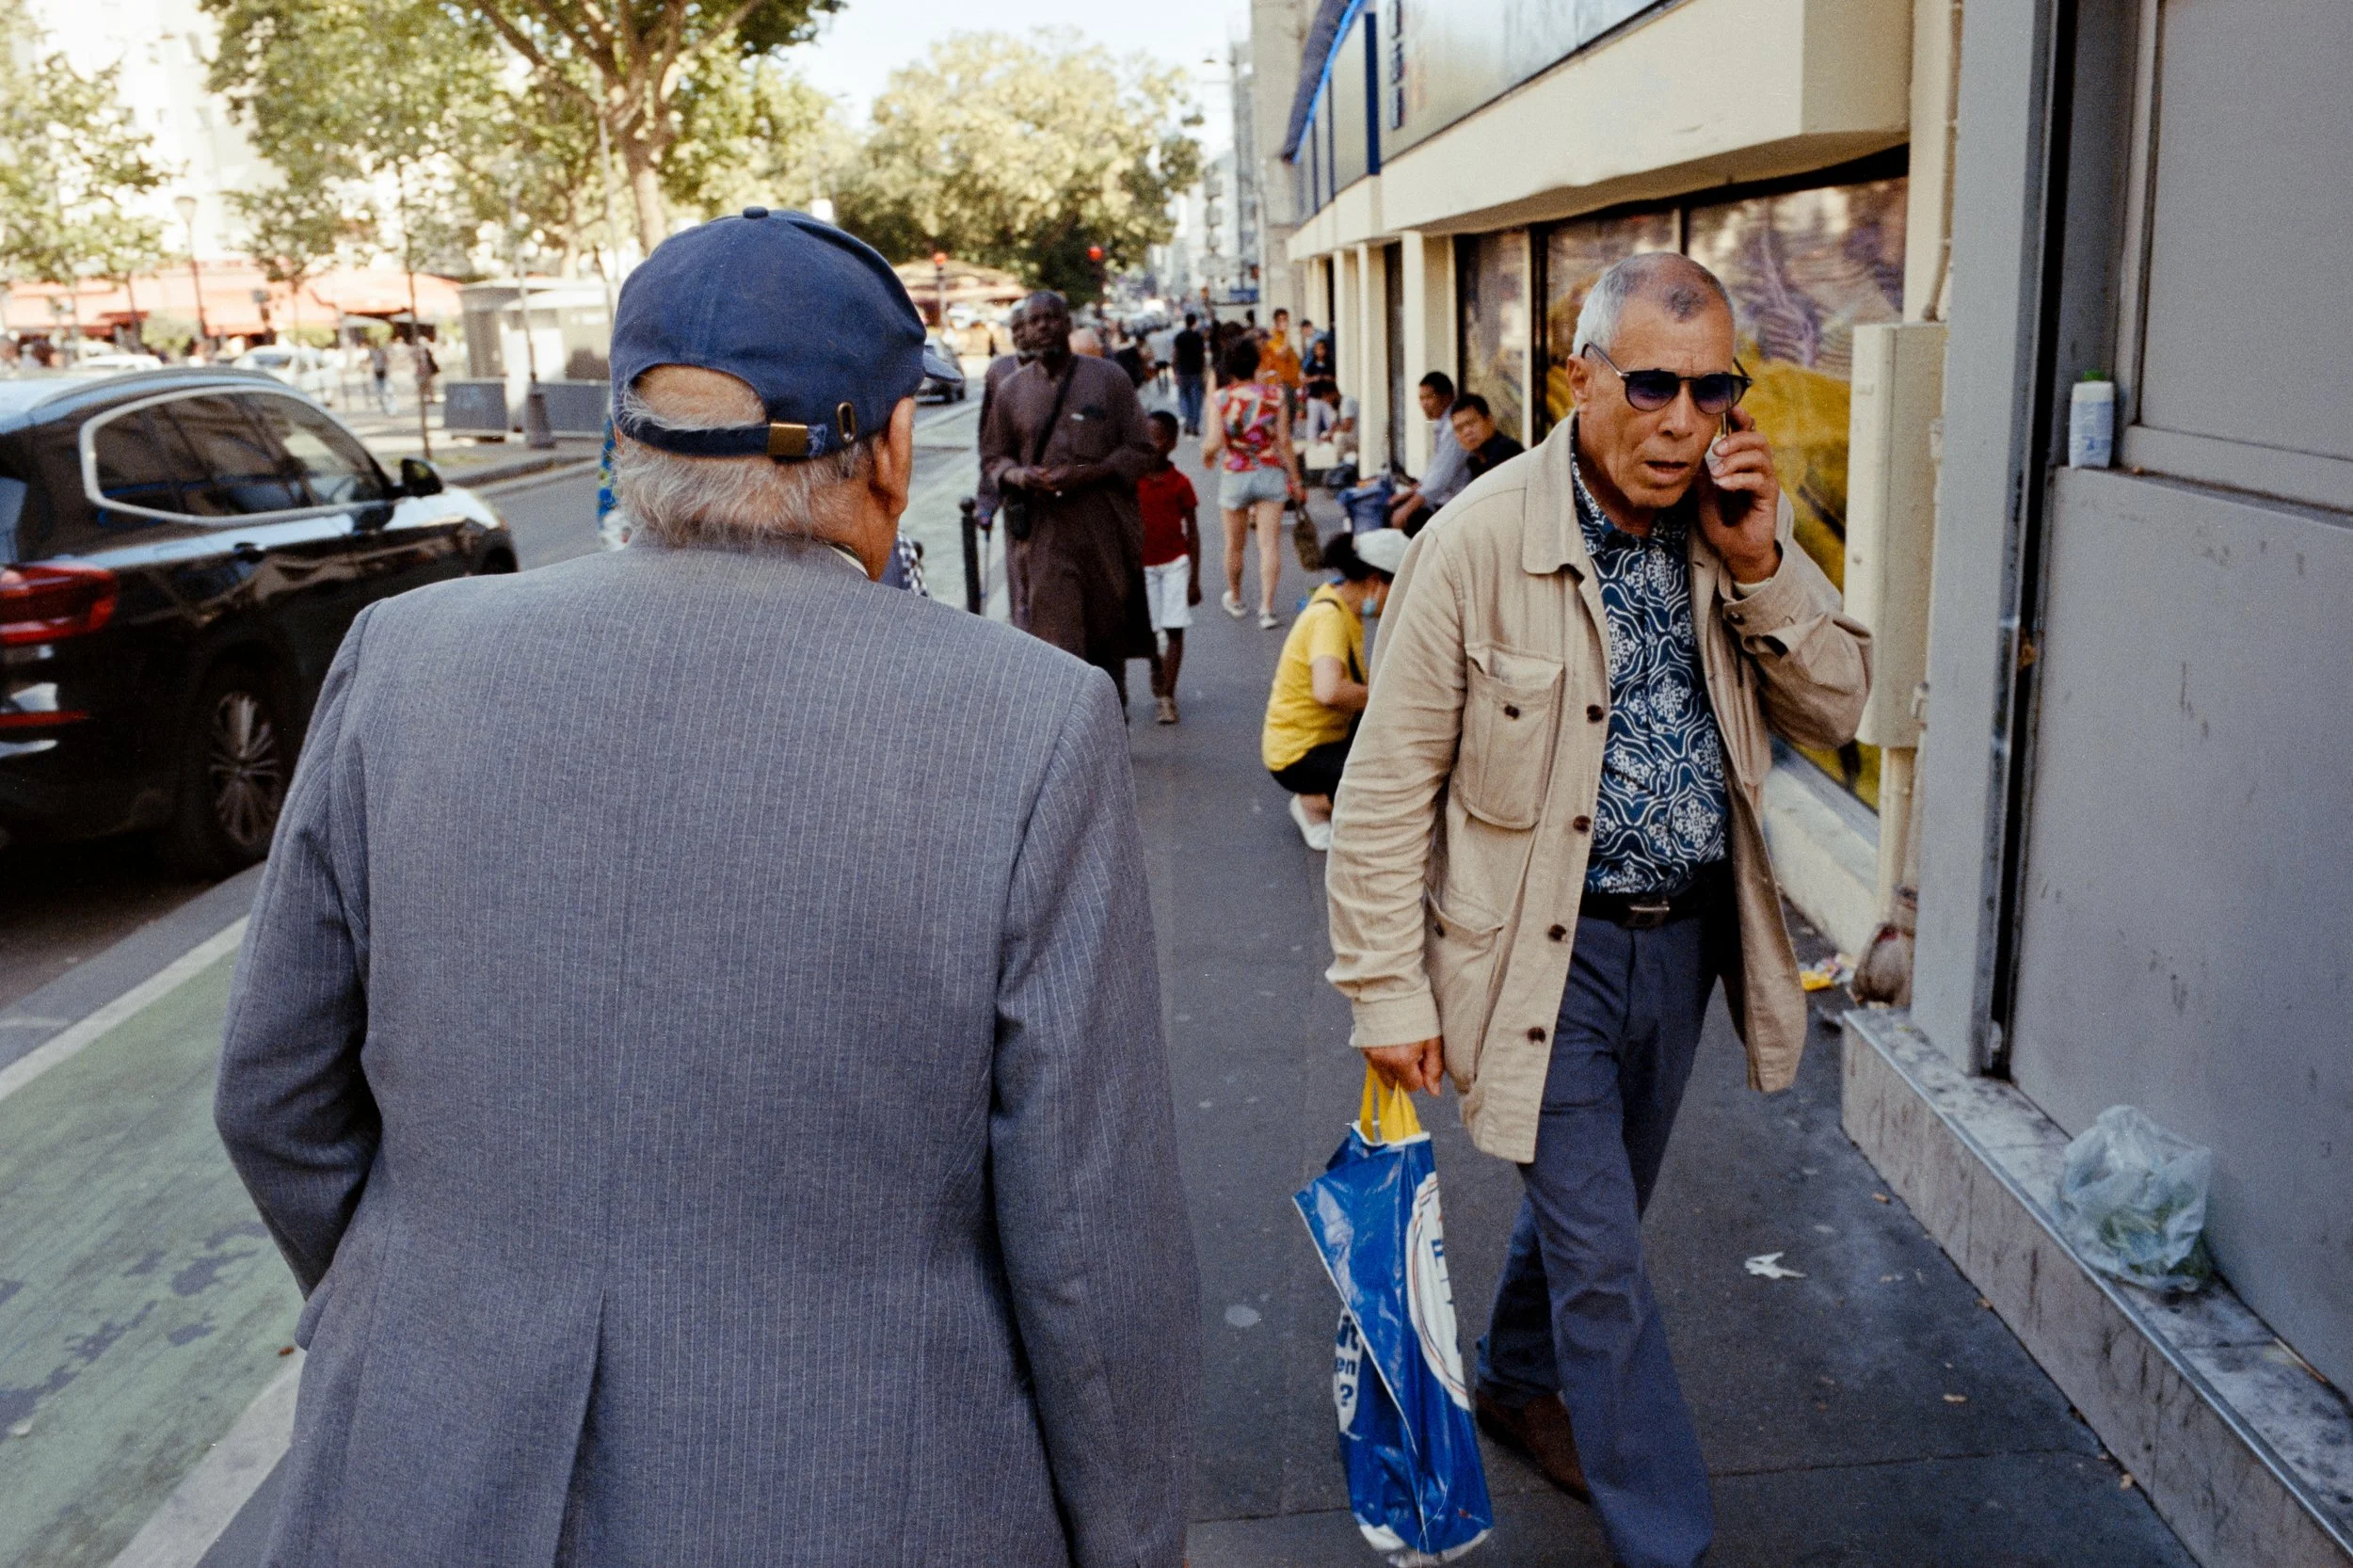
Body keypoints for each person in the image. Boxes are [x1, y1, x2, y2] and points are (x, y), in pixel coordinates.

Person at [214, 206, 1199, 1566]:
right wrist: (1131, 1537)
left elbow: (273, 1094)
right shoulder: (1023, 720)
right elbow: (1087, 1235)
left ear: (627, 439)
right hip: (867, 1487)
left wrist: (440, 1293)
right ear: (891, 451)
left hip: (424, 1475)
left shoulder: (404, 659)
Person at [1322, 253, 1870, 1568]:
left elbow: (1843, 703)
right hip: (1533, 962)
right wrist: (1386, 990)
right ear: (1583, 381)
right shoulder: (1477, 542)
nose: (1684, 421)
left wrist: (1760, 566)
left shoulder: (1733, 524)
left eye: (1712, 390)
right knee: (1608, 1270)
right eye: (1653, 387)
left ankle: (1516, 1376)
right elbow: (1387, 790)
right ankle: (1666, 1541)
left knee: (1601, 1209)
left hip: (1681, 949)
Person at [980, 290, 1157, 697]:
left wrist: (1091, 473)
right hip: (1045, 533)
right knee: (1057, 637)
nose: (1043, 326)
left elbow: (1141, 449)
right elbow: (993, 458)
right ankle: (1074, 732)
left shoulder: (1109, 379)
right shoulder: (1011, 391)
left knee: (1107, 632)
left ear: (1068, 324)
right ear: (1024, 328)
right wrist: (1021, 476)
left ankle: (1115, 722)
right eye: (1034, 320)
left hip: (1103, 527)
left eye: (1052, 318)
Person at [1262, 528, 1410, 850]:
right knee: (1392, 792)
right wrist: (1384, 698)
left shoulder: (1339, 603)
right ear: (1375, 582)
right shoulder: (1329, 618)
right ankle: (1313, 803)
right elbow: (1328, 691)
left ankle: (1325, 798)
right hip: (1299, 753)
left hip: (1322, 737)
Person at [1202, 336, 1302, 630]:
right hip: (1270, 472)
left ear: (1228, 367)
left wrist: (1207, 455)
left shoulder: (1220, 399)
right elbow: (1283, 440)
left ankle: (1235, 598)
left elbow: (1214, 441)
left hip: (1235, 473)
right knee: (1269, 545)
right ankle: (1267, 609)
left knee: (1234, 545)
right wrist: (1295, 480)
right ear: (1257, 363)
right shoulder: (1274, 396)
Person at [1136, 409, 1201, 724]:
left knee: (1174, 627)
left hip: (1175, 563)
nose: (1153, 444)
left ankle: (1167, 696)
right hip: (1144, 566)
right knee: (1150, 629)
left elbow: (1193, 530)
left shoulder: (1180, 483)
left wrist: (1194, 580)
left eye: (1159, 438)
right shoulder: (1133, 483)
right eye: (1147, 437)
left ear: (1173, 443)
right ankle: (1155, 665)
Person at [1388, 371, 1472, 534]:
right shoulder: (1441, 425)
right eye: (1421, 398)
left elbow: (1439, 480)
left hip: (1454, 504)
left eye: (1429, 397)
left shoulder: (1453, 428)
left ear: (1447, 397)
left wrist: (1406, 509)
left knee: (1405, 518)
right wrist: (1408, 494)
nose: (1424, 404)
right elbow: (1433, 472)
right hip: (1442, 499)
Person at [1449, 392, 1525, 483]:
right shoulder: (1476, 460)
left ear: (1489, 420)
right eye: (1459, 428)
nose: (1466, 432)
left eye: (1471, 423)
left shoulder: (1506, 450)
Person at [1171, 312, 1207, 435]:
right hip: (1196, 372)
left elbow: (1175, 355)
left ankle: (1187, 421)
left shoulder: (1179, 337)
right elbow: (1202, 355)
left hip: (1183, 372)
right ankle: (1195, 425)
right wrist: (1203, 371)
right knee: (1196, 400)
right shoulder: (1198, 336)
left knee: (1184, 399)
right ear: (1195, 321)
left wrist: (1174, 371)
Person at [1262, 307, 1304, 392]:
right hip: (1281, 381)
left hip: (1292, 381)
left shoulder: (1284, 337)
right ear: (1276, 321)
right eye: (1283, 320)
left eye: (1286, 320)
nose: (1286, 323)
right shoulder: (1271, 336)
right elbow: (1281, 354)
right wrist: (1286, 333)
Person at [368, 340, 392, 414]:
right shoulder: (372, 352)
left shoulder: (382, 351)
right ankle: (383, 405)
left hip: (383, 371)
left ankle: (388, 406)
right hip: (377, 371)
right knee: (379, 389)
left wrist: (387, 369)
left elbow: (386, 360)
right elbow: (370, 360)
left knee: (385, 389)